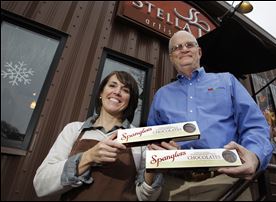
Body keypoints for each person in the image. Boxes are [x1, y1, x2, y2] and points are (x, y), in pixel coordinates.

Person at [147, 30, 273, 201]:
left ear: (199, 52)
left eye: (189, 45)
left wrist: (254, 155)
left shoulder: (227, 81)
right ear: (171, 57)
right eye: (177, 47)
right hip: (172, 186)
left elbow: (255, 125)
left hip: (226, 181)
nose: (183, 49)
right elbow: (152, 139)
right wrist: (161, 149)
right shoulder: (162, 95)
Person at [33, 71, 177, 201]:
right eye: (112, 85)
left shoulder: (139, 140)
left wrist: (153, 167)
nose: (117, 92)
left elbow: (146, 198)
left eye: (125, 90)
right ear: (101, 93)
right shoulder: (74, 130)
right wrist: (89, 157)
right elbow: (41, 185)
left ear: (129, 101)